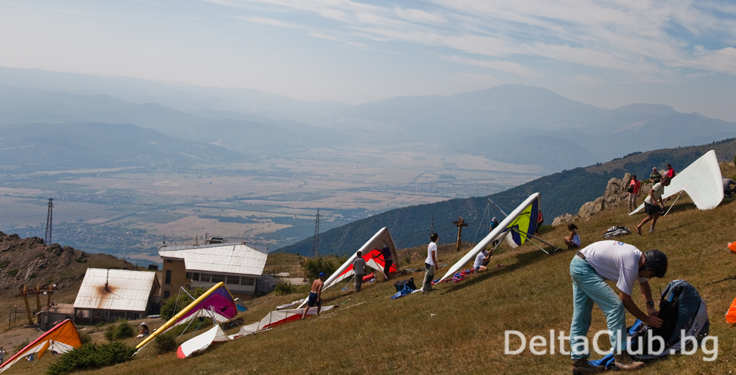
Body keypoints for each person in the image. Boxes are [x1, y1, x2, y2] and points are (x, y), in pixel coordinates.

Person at [569, 241, 667, 374]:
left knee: (581, 316)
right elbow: (625, 299)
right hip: (584, 268)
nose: (650, 277)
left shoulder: (638, 259)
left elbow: (644, 285)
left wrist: (650, 306)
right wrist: (646, 319)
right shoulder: (631, 264)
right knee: (615, 307)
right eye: (652, 274)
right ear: (649, 267)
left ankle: (578, 362)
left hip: (579, 263)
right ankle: (621, 357)